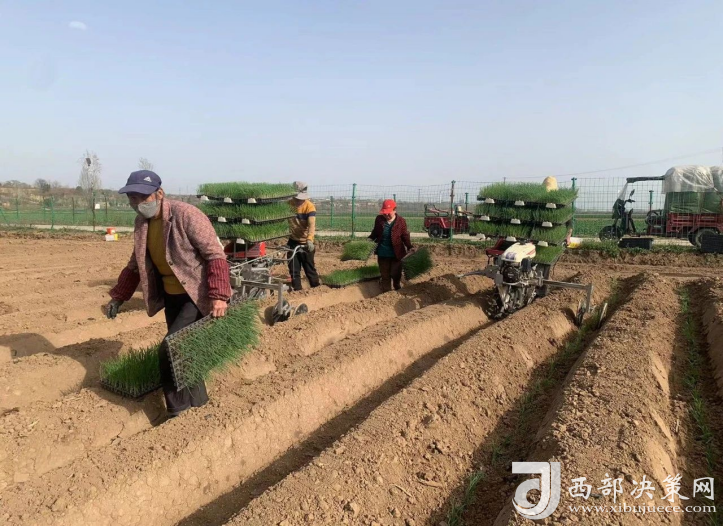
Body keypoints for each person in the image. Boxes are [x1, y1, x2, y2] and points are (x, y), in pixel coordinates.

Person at [106, 170, 232, 417]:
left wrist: (219, 296)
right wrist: (118, 296)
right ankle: (198, 403)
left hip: (195, 294)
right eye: (132, 198)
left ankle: (178, 410)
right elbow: (136, 264)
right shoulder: (141, 223)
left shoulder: (186, 215)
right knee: (186, 350)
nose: (137, 203)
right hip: (171, 296)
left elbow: (215, 255)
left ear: (159, 194)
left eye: (142, 197)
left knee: (170, 348)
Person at [369, 199, 414, 292]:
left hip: (396, 254)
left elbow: (405, 235)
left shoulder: (401, 221)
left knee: (395, 274)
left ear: (394, 210)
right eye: (384, 213)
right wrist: (369, 240)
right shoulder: (379, 219)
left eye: (388, 212)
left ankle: (397, 287)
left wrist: (410, 246)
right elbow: (375, 232)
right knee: (385, 275)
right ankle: (386, 293)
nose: (386, 215)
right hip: (382, 253)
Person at [287, 181, 320, 291]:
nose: (298, 201)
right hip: (292, 242)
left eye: (300, 199)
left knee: (309, 269)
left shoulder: (309, 207)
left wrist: (309, 240)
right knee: (293, 269)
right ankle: (297, 291)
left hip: (305, 243)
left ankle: (316, 289)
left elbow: (311, 225)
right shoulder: (288, 205)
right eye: (297, 199)